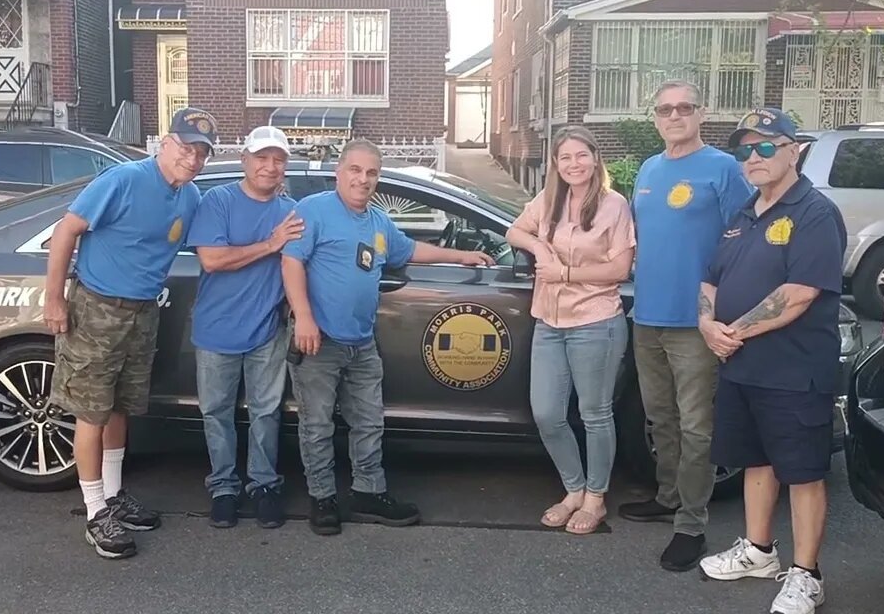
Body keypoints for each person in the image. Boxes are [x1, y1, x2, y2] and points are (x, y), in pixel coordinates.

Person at [281, 138, 495, 536]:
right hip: (319, 340)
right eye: (355, 170)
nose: (363, 180)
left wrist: (461, 256)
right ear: (338, 172)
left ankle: (368, 491)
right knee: (317, 424)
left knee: (368, 421)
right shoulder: (314, 210)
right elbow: (291, 261)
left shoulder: (377, 222)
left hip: (361, 343)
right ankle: (322, 499)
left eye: (371, 173)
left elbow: (410, 249)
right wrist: (305, 317)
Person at [43, 106, 216, 559]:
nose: (193, 159)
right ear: (164, 142)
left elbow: (211, 245)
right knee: (91, 411)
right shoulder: (124, 180)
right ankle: (95, 510)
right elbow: (66, 232)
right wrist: (54, 298)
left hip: (143, 312)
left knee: (120, 408)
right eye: (185, 148)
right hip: (97, 308)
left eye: (201, 153)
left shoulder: (191, 196)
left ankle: (115, 494)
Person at [697, 108, 846, 614]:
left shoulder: (815, 214)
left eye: (765, 147)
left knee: (803, 473)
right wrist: (705, 323)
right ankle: (759, 551)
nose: (753, 158)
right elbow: (711, 278)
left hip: (793, 370)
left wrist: (732, 332)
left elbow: (800, 293)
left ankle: (808, 575)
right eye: (745, 150)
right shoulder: (744, 213)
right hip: (742, 366)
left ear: (793, 150)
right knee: (755, 461)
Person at [621, 80, 755, 572]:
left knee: (698, 425)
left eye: (684, 108)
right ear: (654, 117)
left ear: (702, 113)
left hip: (696, 322)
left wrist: (721, 310)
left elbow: (741, 241)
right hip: (647, 315)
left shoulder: (722, 169)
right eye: (664, 109)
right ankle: (668, 496)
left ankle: (691, 526)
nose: (674, 116)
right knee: (661, 418)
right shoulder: (650, 171)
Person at [505, 126, 636, 535]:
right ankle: (573, 489)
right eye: (565, 158)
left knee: (594, 414)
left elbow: (620, 269)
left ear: (595, 159)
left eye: (581, 156)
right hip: (549, 321)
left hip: (596, 321)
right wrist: (540, 247)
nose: (574, 164)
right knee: (546, 413)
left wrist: (564, 272)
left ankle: (595, 498)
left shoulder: (614, 205)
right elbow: (514, 230)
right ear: (555, 165)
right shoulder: (549, 201)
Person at [187, 125, 301, 529]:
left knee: (266, 412)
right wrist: (271, 244)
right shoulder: (217, 200)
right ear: (245, 160)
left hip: (267, 330)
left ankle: (264, 485)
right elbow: (213, 260)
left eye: (278, 159)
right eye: (262, 158)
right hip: (216, 330)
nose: (270, 167)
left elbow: (300, 265)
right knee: (216, 412)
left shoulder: (291, 211)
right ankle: (223, 488)